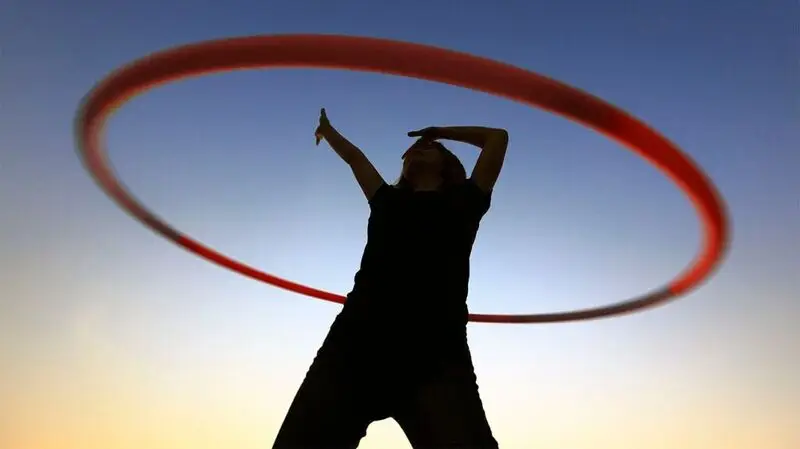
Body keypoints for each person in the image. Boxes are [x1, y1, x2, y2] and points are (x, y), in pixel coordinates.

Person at [272, 108, 509, 449]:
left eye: (430, 148)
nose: (417, 149)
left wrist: (440, 131)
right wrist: (327, 130)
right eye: (413, 150)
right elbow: (355, 159)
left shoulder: (466, 201)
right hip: (354, 347)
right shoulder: (386, 200)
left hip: (435, 355)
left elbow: (497, 137)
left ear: (447, 165)